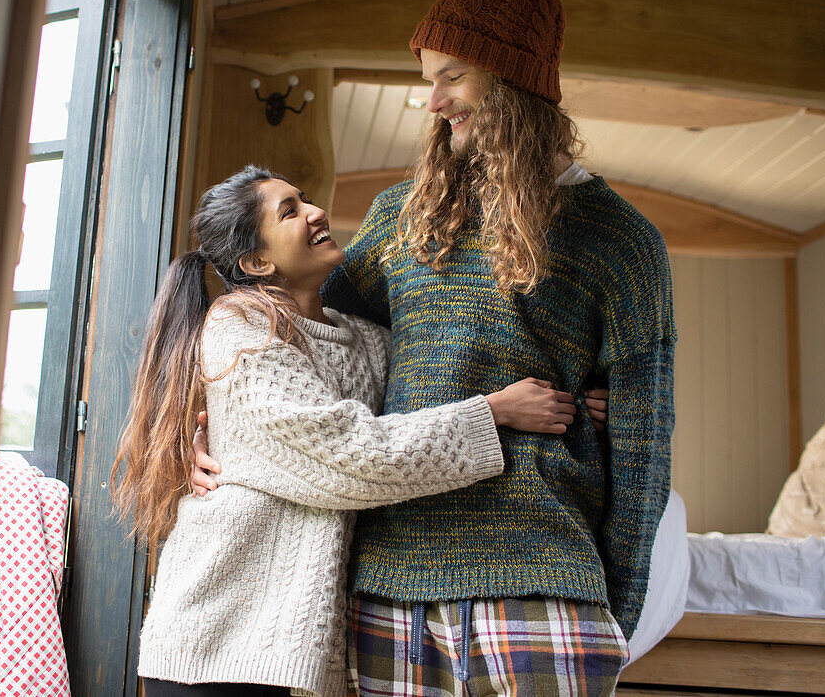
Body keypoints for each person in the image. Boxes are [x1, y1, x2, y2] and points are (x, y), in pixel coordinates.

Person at [192, 0, 675, 695]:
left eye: (453, 76)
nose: (434, 100)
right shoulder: (401, 216)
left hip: (542, 584)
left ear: (513, 82)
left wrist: (620, 611)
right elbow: (292, 326)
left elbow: (645, 448)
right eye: (429, 77)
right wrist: (200, 431)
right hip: (387, 589)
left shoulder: (622, 242)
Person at [111, 166, 600, 697]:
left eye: (305, 199)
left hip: (288, 653)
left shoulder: (367, 342)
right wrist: (495, 413)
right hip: (214, 643)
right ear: (256, 261)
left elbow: (440, 389)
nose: (315, 211)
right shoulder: (240, 330)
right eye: (289, 211)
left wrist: (575, 395)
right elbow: (351, 455)